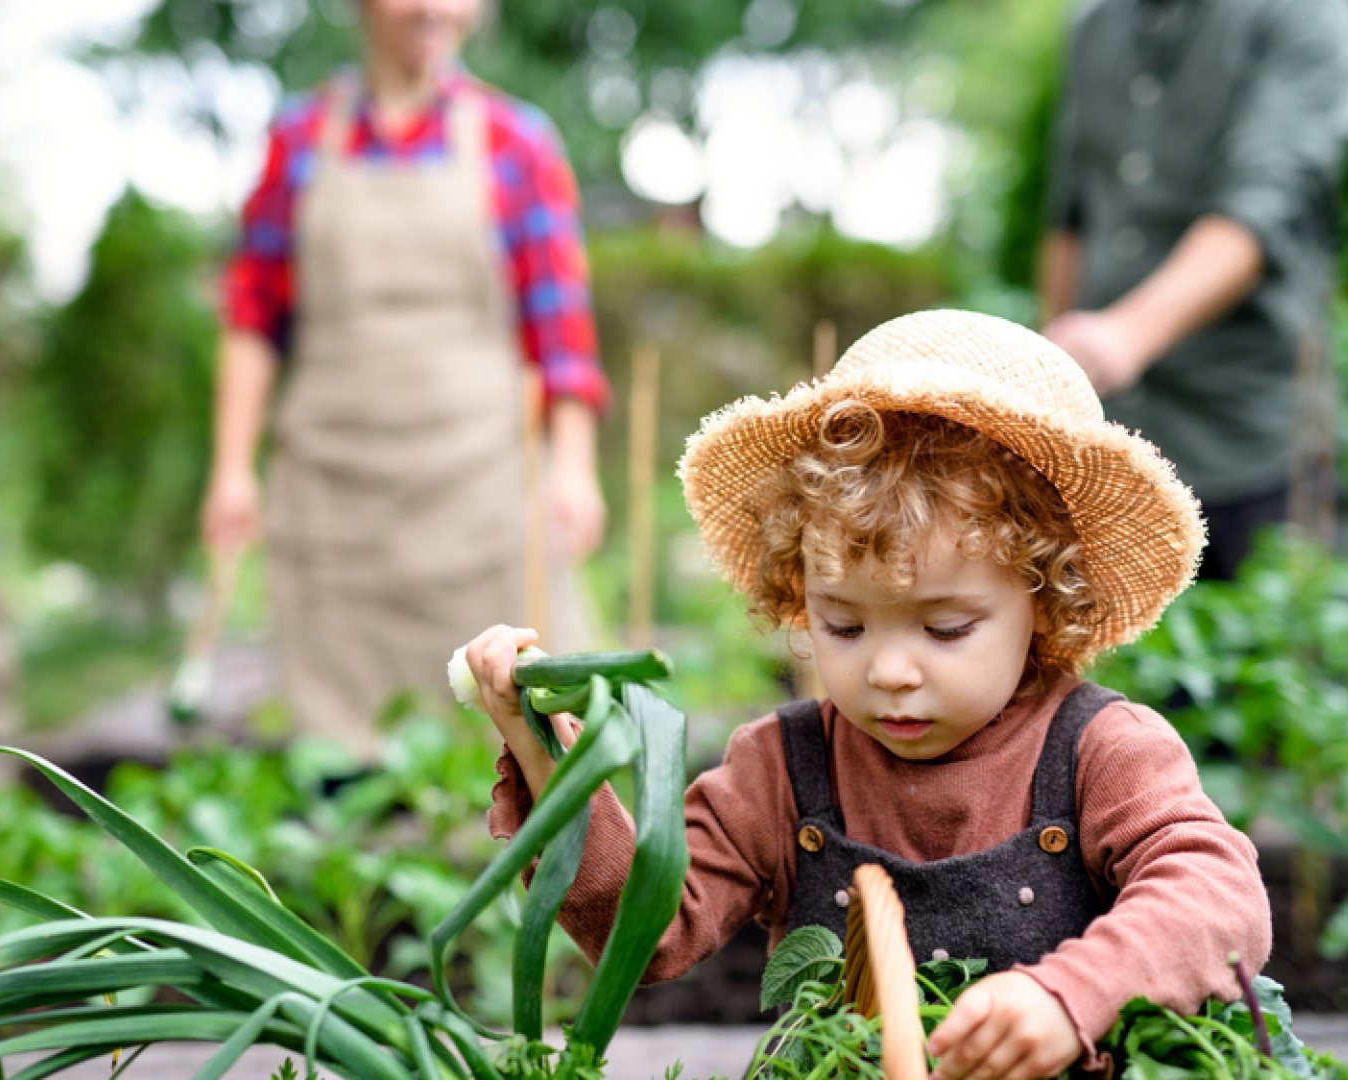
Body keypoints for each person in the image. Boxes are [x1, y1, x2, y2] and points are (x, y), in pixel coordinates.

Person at [464, 310, 1271, 1080]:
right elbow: (648, 931)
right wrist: (550, 759)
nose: (889, 671)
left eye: (946, 629)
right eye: (844, 625)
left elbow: (1216, 895)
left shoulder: (1102, 752)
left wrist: (1072, 996)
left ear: (1046, 599)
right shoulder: (783, 769)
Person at [207, 0, 609, 753]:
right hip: (332, 499)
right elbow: (253, 314)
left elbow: (560, 333)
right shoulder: (299, 139)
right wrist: (231, 470)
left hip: (480, 493)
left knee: (511, 748)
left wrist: (574, 469)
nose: (433, 8)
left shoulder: (515, 141)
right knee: (336, 760)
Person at [1037, 0, 1348, 580]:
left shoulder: (1305, 14)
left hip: (1251, 440)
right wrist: (1050, 381)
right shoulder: (1094, 26)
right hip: (1112, 451)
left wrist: (1126, 335)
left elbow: (1262, 206)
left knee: (1284, 631)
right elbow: (1070, 216)